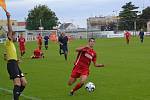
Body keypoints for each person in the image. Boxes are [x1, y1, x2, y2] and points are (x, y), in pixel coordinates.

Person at [5, 11, 27, 100]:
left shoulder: (12, 45)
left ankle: (15, 96)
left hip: (15, 64)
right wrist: (8, 17)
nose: (16, 37)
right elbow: (10, 30)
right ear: (10, 36)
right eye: (14, 36)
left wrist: (17, 60)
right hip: (11, 64)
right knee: (17, 83)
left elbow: (10, 55)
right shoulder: (9, 42)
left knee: (24, 83)